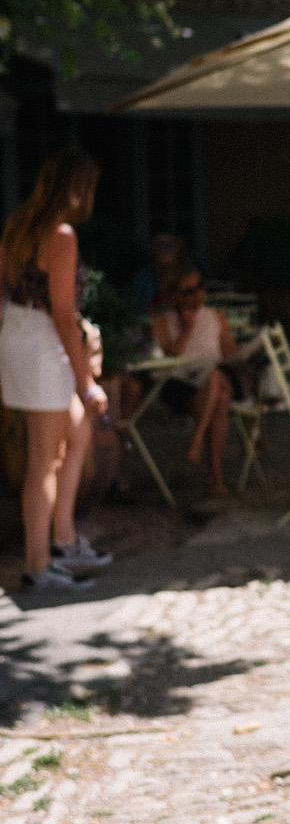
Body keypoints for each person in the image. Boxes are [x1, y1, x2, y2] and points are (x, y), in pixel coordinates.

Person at [0, 149, 113, 589]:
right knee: (42, 462)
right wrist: (87, 383)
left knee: (79, 431)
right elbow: (64, 316)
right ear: (77, 188)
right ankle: (38, 564)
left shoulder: (17, 227)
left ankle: (63, 537)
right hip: (43, 345)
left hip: (20, 335)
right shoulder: (61, 236)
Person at [151, 267, 242, 499]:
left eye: (200, 287)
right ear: (175, 294)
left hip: (213, 382)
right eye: (189, 290)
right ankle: (214, 475)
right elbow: (168, 357)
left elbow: (231, 353)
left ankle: (198, 443)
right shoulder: (162, 320)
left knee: (218, 388)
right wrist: (188, 327)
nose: (197, 295)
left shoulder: (215, 316)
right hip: (180, 384)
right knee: (219, 393)